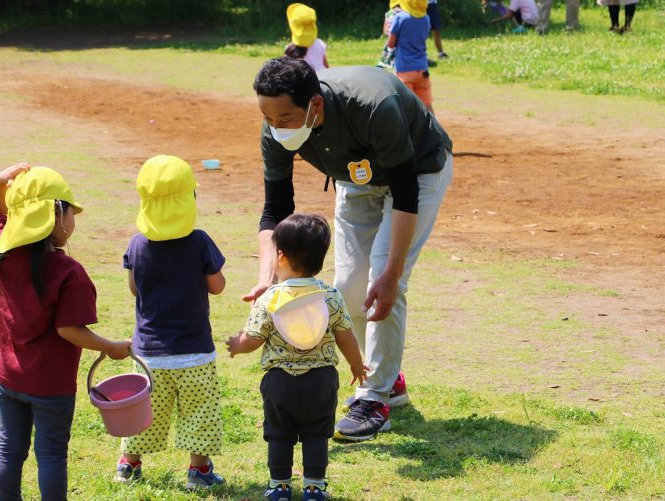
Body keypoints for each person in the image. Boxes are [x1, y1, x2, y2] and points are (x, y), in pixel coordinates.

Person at [245, 58, 453, 442]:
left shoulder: (373, 107)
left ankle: (374, 399)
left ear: (315, 105)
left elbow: (405, 192)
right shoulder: (275, 124)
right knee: (349, 286)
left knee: (382, 278)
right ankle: (387, 378)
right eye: (268, 118)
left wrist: (392, 275)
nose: (277, 127)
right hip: (356, 178)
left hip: (418, 171)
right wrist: (267, 279)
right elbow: (276, 209)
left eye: (286, 118)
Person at [0, 164, 131, 501]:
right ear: (56, 215)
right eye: (71, 211)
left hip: (8, 379)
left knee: (10, 450)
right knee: (51, 455)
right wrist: (110, 347)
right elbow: (69, 329)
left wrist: (0, 181)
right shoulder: (68, 272)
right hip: (51, 387)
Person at [227, 214, 368, 501]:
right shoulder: (331, 296)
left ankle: (279, 485)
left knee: (279, 435)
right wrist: (356, 364)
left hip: (280, 382)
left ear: (281, 255)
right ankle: (314, 486)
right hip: (321, 380)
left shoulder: (270, 299)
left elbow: (253, 339)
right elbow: (345, 337)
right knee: (317, 434)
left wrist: (235, 344)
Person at [113, 155, 227, 489]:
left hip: (149, 353)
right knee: (199, 414)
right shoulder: (199, 241)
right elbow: (217, 287)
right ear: (189, 199)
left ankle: (128, 465)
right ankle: (199, 472)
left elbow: (134, 288)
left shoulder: (137, 244)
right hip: (195, 353)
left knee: (145, 414)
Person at [388, 0, 435, 114]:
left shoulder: (400, 18)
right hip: (423, 69)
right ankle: (435, 130)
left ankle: (408, 132)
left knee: (406, 108)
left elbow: (391, 44)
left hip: (405, 70)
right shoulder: (426, 18)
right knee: (427, 106)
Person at [284, 3, 329, 72]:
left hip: (305, 82)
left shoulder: (290, 49)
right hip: (322, 79)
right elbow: (327, 68)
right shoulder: (319, 44)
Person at [377, 0, 403, 68]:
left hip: (390, 36)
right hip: (397, 36)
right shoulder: (403, 14)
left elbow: (385, 30)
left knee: (388, 48)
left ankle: (385, 60)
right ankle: (391, 61)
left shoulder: (389, 13)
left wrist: (388, 32)